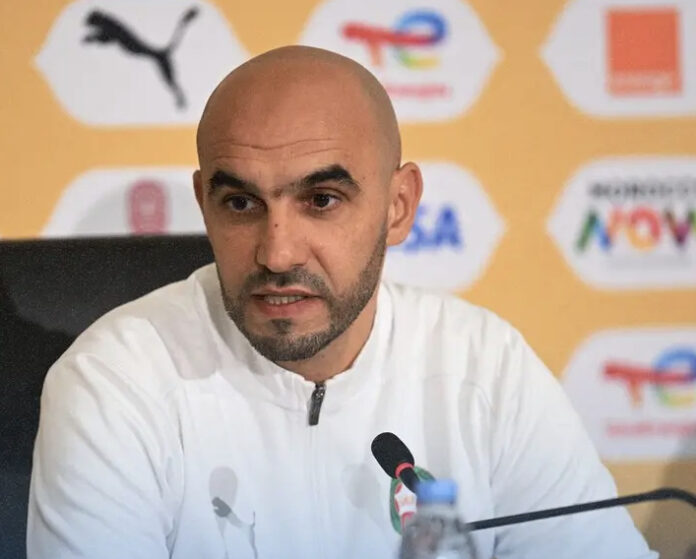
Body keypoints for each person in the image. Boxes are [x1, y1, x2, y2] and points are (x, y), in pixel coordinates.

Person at [27, 46, 656, 559]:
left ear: (398, 206)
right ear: (204, 206)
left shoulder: (485, 367)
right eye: (240, 203)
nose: (277, 253)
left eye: (322, 200)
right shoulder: (116, 381)